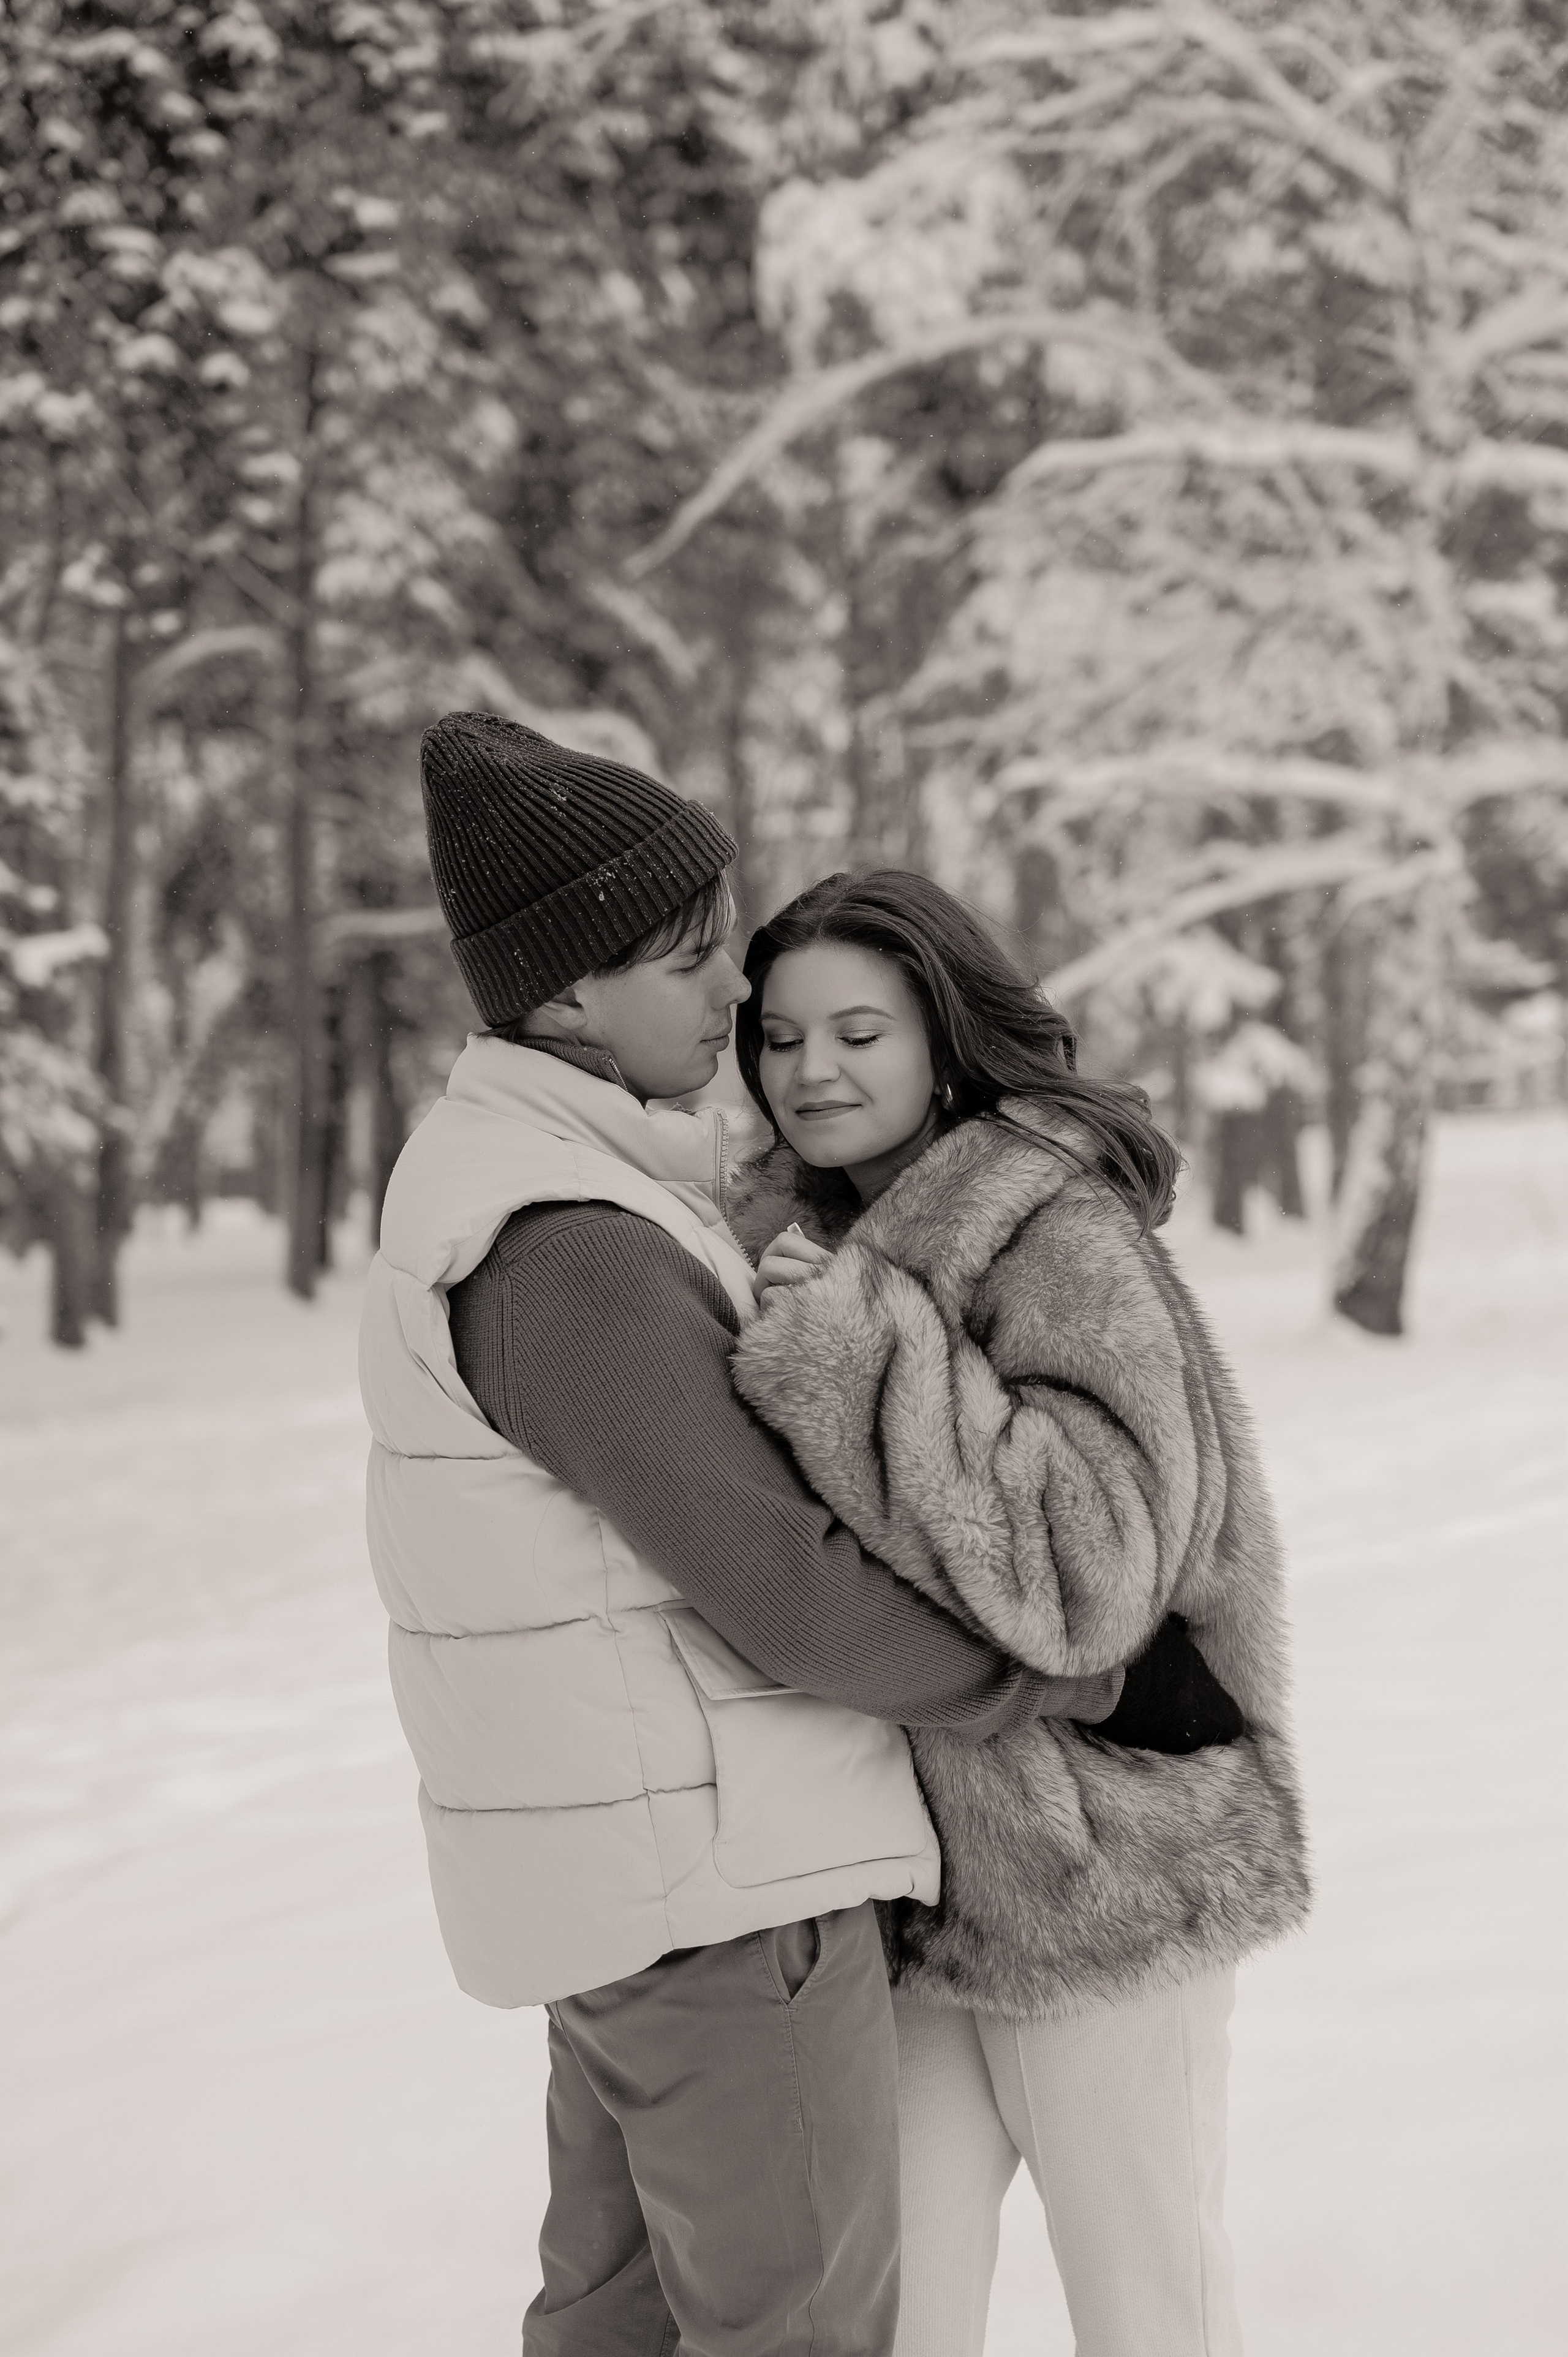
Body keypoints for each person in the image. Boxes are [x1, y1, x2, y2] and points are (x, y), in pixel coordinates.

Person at [358, 715, 1118, 2357]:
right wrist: (1029, 1680)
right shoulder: (569, 1247)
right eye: (694, 959)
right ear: (565, 993)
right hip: (722, 1903)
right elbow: (784, 1590)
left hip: (637, 1896)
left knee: (614, 2324)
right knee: (801, 2330)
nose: (733, 998)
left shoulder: (512, 1185)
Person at [726, 867, 1311, 2357]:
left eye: (856, 1031)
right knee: (897, 2318)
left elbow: (1091, 1572)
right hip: (894, 1898)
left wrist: (854, 1347)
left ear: (942, 1035)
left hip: (1097, 1870)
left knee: (1147, 2311)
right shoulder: (789, 1249)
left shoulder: (1052, 1234)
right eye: (778, 1039)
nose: (812, 1072)